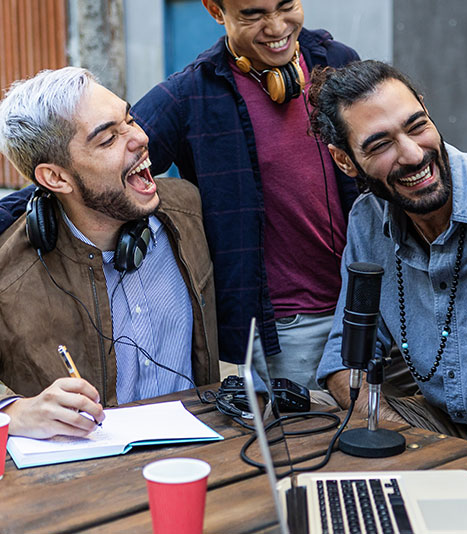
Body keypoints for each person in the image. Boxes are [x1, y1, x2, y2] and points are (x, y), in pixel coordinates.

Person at [0, 0, 360, 391]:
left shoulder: (337, 60)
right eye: (253, 14)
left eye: (286, 5)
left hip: (368, 300)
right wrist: (34, 208)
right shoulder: (189, 95)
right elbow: (98, 177)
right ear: (215, 11)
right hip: (290, 326)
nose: (276, 26)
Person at [309, 60, 467, 458]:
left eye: (417, 125)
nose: (413, 154)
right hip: (440, 431)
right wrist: (397, 432)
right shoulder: (368, 223)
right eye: (380, 144)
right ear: (345, 160)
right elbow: (344, 359)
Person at [0, 67, 219, 439]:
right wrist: (14, 412)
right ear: (56, 178)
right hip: (88, 486)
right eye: (107, 139)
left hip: (202, 460)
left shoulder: (188, 210)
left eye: (130, 120)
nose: (140, 138)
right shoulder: (9, 274)